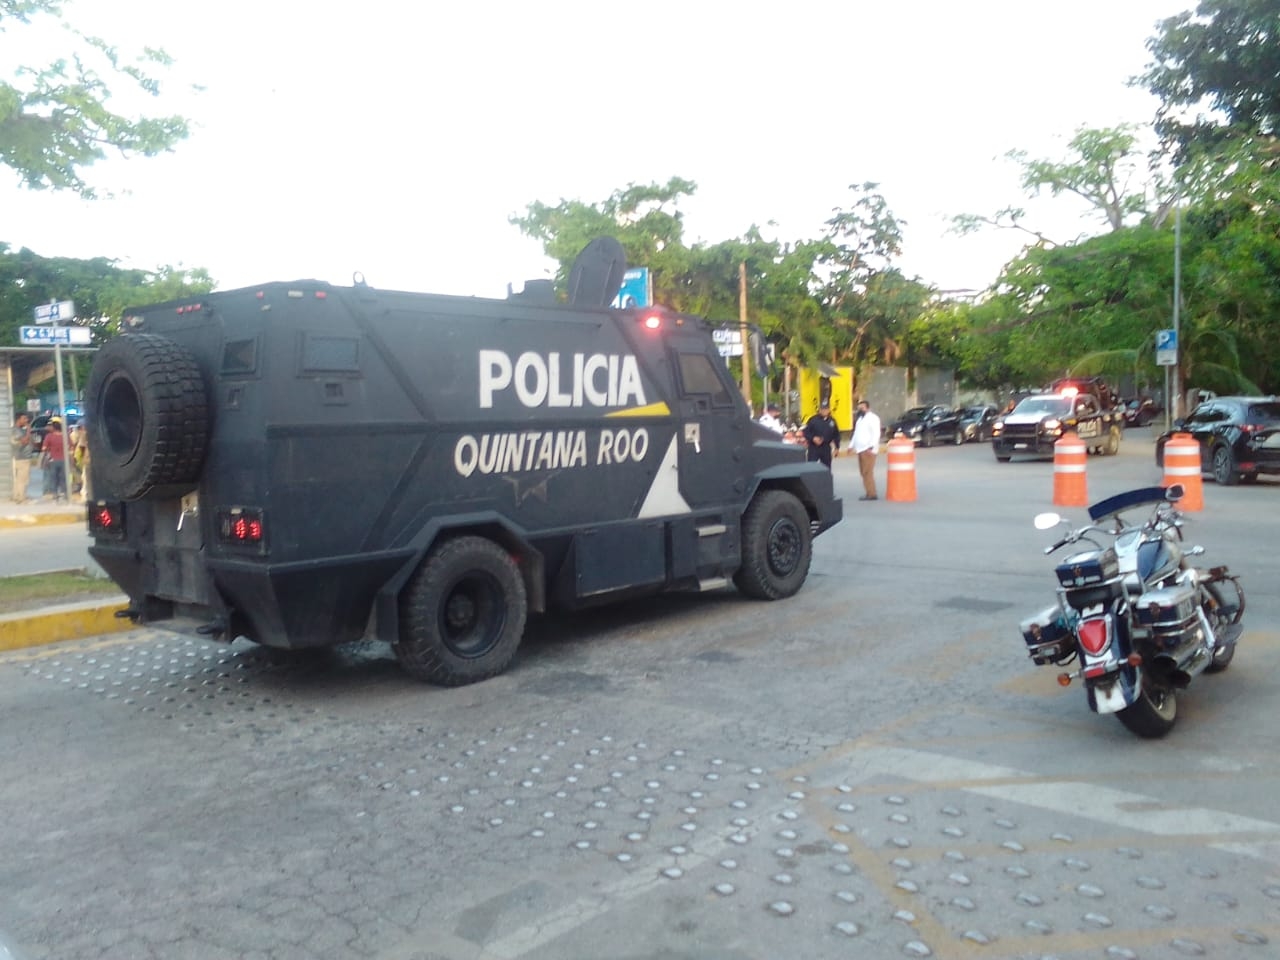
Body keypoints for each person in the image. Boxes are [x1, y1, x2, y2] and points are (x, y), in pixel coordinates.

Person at [851, 398, 882, 500]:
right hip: (860, 449)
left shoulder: (873, 418)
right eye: (859, 408)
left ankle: (871, 494)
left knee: (867, 472)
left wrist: (871, 446)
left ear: (868, 408)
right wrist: (851, 446)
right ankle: (869, 492)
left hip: (868, 449)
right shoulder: (860, 419)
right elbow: (856, 434)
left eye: (862, 408)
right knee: (863, 472)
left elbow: (876, 434)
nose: (860, 410)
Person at [802, 400, 840, 468]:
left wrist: (837, 447)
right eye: (822, 409)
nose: (824, 411)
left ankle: (825, 479)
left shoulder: (832, 421)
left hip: (826, 447)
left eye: (826, 409)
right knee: (811, 467)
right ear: (819, 410)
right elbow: (806, 432)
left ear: (829, 410)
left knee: (826, 468)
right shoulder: (813, 420)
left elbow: (836, 435)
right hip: (814, 448)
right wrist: (813, 438)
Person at [42, 415, 67, 502]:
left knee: (53, 478)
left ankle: (55, 494)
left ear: (54, 427)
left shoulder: (49, 436)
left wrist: (50, 450)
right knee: (63, 477)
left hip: (53, 460)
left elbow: (44, 449)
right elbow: (70, 447)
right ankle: (64, 493)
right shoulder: (65, 436)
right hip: (64, 460)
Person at [10, 412, 34, 503]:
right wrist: (28, 430)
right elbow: (24, 441)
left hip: (23, 457)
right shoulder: (16, 430)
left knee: (20, 478)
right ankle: (21, 497)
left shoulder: (20, 430)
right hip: (22, 457)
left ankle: (17, 496)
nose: (26, 420)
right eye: (24, 418)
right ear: (18, 419)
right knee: (22, 479)